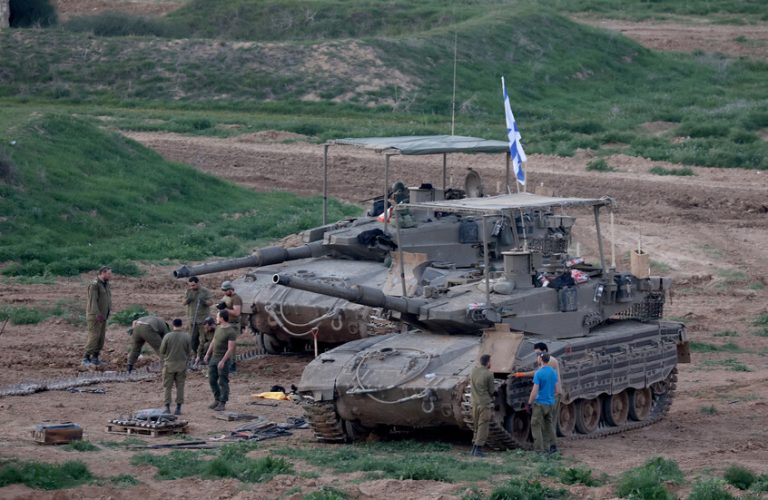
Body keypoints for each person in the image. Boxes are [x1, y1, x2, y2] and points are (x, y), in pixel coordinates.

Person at [203, 309, 237, 411]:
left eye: (217, 317)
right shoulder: (218, 328)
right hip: (214, 357)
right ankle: (217, 399)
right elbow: (213, 342)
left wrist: (223, 361)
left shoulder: (231, 331)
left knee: (223, 381)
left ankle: (223, 402)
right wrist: (207, 354)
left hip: (223, 359)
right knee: (212, 380)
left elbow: (230, 349)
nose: (216, 318)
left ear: (222, 318)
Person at [527, 352, 559, 454]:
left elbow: (534, 391)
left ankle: (539, 450)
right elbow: (557, 390)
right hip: (550, 403)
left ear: (540, 359)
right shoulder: (553, 372)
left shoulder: (539, 373)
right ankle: (553, 446)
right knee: (549, 424)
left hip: (540, 403)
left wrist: (529, 403)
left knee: (535, 424)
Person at [159, 318, 190, 415]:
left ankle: (167, 407)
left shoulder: (168, 336)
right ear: (181, 325)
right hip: (182, 366)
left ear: (173, 325)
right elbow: (189, 352)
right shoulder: (186, 337)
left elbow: (162, 350)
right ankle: (178, 408)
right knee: (180, 387)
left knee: (167, 387)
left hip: (169, 365)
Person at [83, 266, 112, 367]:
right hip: (95, 316)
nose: (110, 275)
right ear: (102, 273)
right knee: (94, 336)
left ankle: (95, 358)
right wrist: (97, 314)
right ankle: (86, 358)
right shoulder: (94, 285)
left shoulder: (106, 284)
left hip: (103, 316)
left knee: (101, 338)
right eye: (108, 273)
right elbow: (93, 302)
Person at [469, 353, 495, 457]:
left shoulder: (473, 371)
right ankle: (478, 448)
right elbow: (491, 390)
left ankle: (473, 448)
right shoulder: (489, 374)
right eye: (490, 361)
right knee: (483, 426)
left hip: (474, 402)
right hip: (484, 403)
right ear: (488, 362)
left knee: (476, 426)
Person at [183, 277, 213, 357]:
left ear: (198, 283)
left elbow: (211, 302)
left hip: (203, 320)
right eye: (190, 285)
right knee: (193, 339)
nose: (192, 287)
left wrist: (204, 302)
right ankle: (196, 354)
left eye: (193, 285)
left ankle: (204, 354)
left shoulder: (205, 291)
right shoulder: (188, 291)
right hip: (192, 319)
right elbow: (183, 302)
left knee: (204, 339)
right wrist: (188, 300)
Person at [218, 280, 243, 371]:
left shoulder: (236, 298)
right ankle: (226, 362)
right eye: (223, 290)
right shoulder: (226, 297)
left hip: (233, 324)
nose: (224, 292)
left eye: (226, 290)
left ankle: (232, 364)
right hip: (225, 323)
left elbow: (236, 312)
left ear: (230, 289)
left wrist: (225, 309)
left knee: (231, 346)